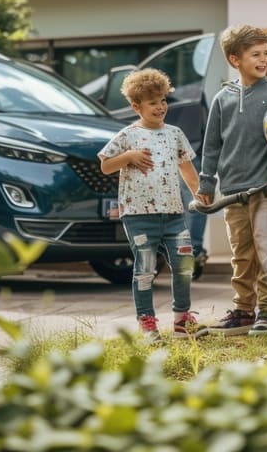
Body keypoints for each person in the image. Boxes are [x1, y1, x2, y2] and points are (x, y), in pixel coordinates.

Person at [197, 25, 267, 335]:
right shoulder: (221, 99)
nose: (264, 59)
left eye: (266, 53)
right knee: (241, 253)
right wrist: (206, 183)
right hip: (232, 192)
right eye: (255, 54)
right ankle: (243, 309)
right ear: (235, 60)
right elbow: (211, 145)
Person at [98, 67, 206, 341]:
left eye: (163, 101)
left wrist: (199, 194)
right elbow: (106, 165)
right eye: (152, 103)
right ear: (137, 107)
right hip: (138, 215)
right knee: (145, 268)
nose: (160, 107)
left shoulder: (175, 134)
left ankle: (182, 320)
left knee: (183, 264)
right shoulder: (127, 136)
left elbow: (187, 169)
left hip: (172, 213)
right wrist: (129, 156)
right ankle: (147, 322)